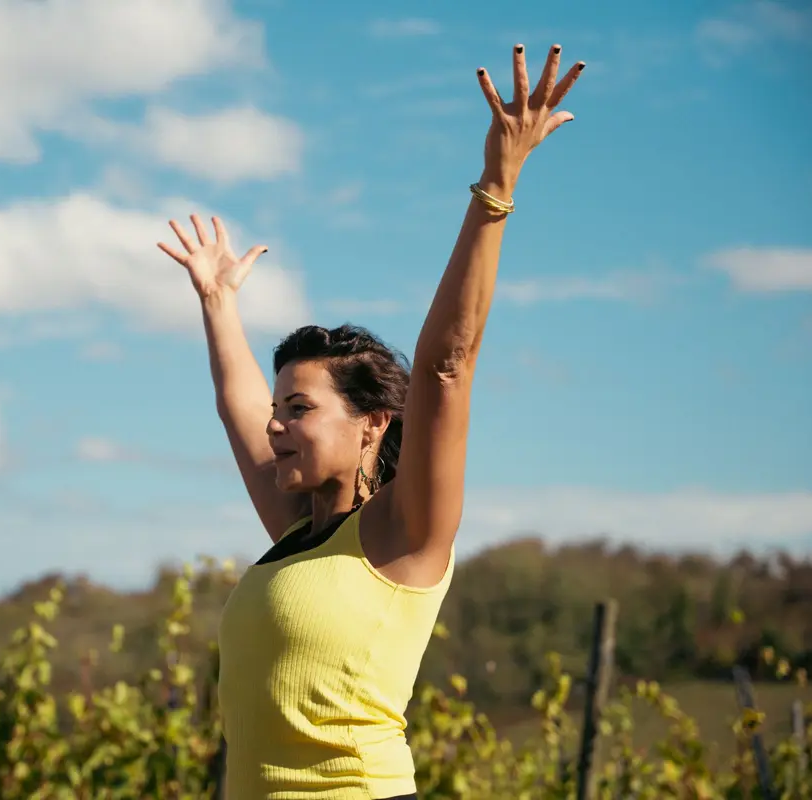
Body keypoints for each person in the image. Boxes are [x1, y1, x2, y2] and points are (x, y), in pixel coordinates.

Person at [157, 43, 585, 800]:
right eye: (279, 409)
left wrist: (497, 185)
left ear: (373, 425)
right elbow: (239, 404)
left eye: (301, 409)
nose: (277, 427)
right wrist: (220, 304)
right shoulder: (296, 532)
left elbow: (448, 367)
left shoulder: (405, 533)